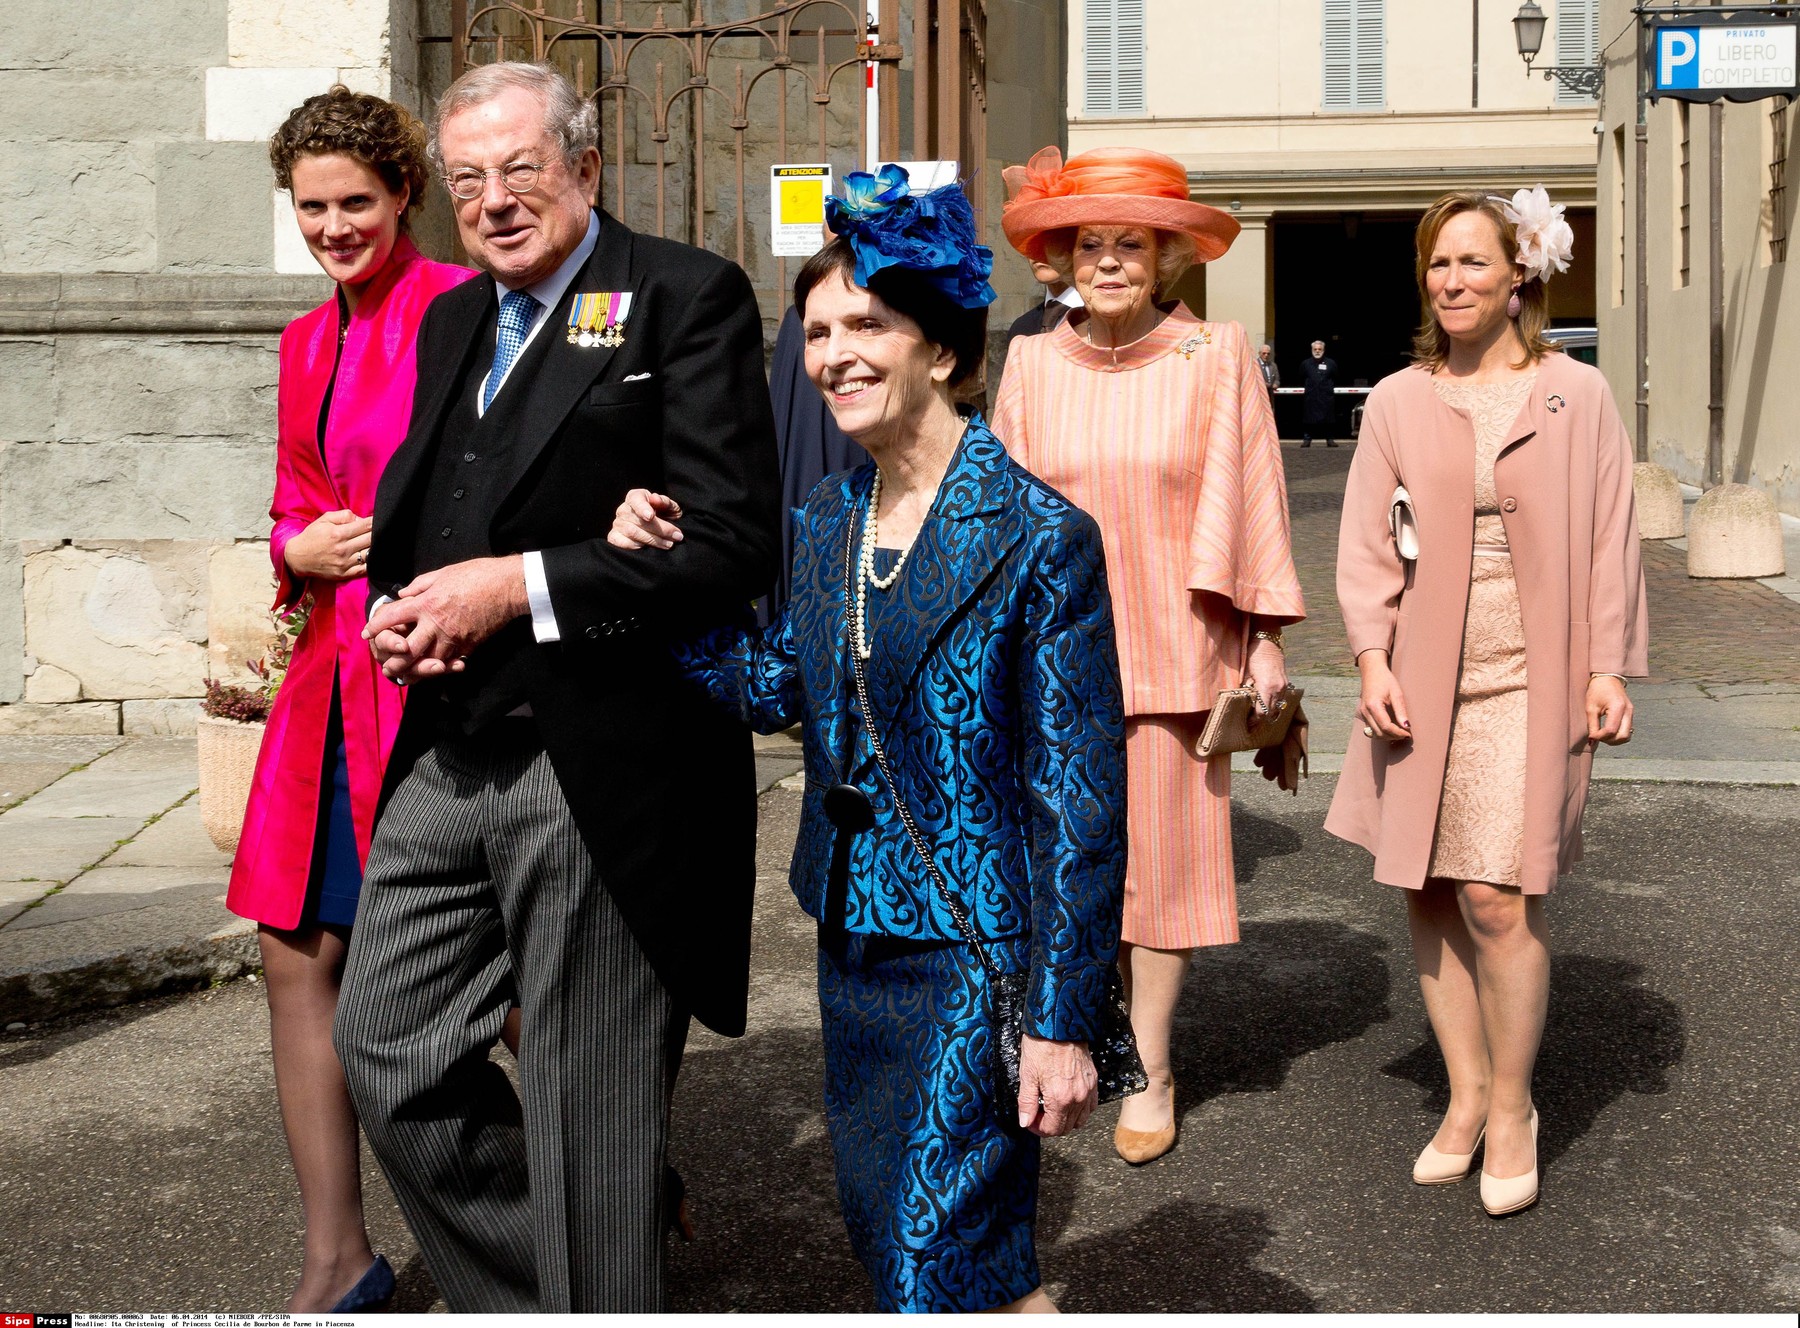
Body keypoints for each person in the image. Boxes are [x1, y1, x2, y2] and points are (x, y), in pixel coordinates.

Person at [607, 166, 1129, 1312]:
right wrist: (653, 581)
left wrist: (1061, 1019)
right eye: (818, 329)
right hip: (853, 938)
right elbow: (767, 686)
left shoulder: (1043, 537)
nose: (831, 353)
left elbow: (1079, 801)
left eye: (867, 326)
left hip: (976, 956)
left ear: (939, 348)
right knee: (909, 1239)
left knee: (938, 1248)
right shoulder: (828, 515)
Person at [331, 61, 780, 1311]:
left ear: (584, 167)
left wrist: (516, 586)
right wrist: (404, 608)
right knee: (385, 1048)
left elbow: (734, 542)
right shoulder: (449, 321)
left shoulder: (683, 297)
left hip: (606, 759)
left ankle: (601, 1264)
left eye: (521, 167)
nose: (495, 200)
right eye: (468, 180)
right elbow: (434, 511)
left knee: (589, 1107)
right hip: (452, 744)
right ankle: (568, 1277)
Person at [1325, 188, 1647, 1217]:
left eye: (1474, 262)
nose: (1453, 280)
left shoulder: (1574, 392)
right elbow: (1370, 544)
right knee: (1424, 885)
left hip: (1532, 668)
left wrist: (1608, 664)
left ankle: (1513, 1105)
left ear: (1520, 275)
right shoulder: (1394, 399)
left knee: (1499, 892)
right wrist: (1370, 655)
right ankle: (1460, 1096)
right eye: (1438, 264)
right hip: (1424, 670)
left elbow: (1609, 533)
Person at [992, 146, 1305, 1165]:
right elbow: (992, 519)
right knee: (1071, 869)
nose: (1110, 260)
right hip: (1052, 664)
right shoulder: (1032, 364)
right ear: (1064, 256)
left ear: (1166, 256)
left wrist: (1260, 643)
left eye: (1130, 242)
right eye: (1092, 242)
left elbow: (1255, 498)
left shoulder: (1214, 355)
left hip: (1175, 651)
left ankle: (1155, 1065)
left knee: (1160, 878)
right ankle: (1078, 1034)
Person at [225, 85, 475, 1314]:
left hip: (431, 685)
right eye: (313, 206)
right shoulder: (299, 340)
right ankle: (340, 1259)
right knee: (295, 955)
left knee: (510, 979)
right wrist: (295, 548)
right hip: (328, 689)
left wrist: (383, 548)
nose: (333, 227)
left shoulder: (463, 312)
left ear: (403, 194)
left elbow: (491, 490)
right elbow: (290, 495)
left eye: (355, 203)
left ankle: (614, 1179)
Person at [1300, 339, 1339, 447]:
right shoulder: (1306, 363)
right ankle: (1307, 439)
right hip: (1311, 396)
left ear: (1324, 350)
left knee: (1329, 419)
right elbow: (1301, 375)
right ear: (1312, 350)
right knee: (1309, 419)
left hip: (1326, 397)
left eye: (1319, 349)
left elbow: (1336, 375)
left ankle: (1330, 439)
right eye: (1315, 349)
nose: (1317, 351)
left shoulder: (1331, 363)